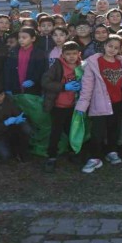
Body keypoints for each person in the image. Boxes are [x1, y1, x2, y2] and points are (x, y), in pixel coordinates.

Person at [75, 35, 122, 173]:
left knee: (114, 128)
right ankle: (94, 157)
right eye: (110, 46)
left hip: (117, 102)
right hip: (99, 103)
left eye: (116, 48)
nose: (112, 49)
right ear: (105, 45)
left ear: (120, 49)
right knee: (97, 131)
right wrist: (83, 104)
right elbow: (87, 85)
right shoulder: (94, 62)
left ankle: (111, 151)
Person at [41, 41, 83, 173]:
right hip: (58, 106)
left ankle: (73, 152)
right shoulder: (57, 65)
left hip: (74, 106)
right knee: (56, 132)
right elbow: (45, 82)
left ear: (79, 54)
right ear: (62, 55)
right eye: (68, 54)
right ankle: (51, 156)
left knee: (72, 131)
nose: (71, 56)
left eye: (74, 53)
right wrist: (64, 87)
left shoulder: (82, 66)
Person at [3, 27, 48, 96]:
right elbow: (8, 70)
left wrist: (34, 80)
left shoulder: (39, 53)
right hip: (15, 87)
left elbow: (41, 70)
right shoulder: (13, 52)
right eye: (19, 38)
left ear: (33, 39)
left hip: (33, 89)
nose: (21, 40)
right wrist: (8, 88)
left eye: (24, 38)